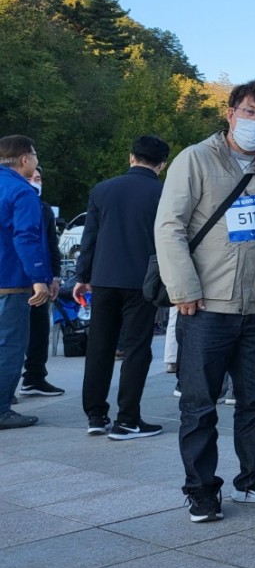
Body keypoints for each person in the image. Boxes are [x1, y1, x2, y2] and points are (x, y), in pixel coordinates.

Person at [156, 81, 255, 522]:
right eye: (251, 112)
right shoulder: (195, 159)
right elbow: (170, 226)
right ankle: (200, 488)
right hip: (204, 307)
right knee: (199, 406)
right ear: (231, 111)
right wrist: (184, 290)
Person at [75, 135, 170, 438]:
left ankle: (95, 415)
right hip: (143, 280)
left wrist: (82, 276)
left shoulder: (102, 190)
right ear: (162, 164)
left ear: (131, 157)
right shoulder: (164, 193)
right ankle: (128, 419)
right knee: (137, 348)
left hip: (103, 278)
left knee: (99, 346)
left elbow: (89, 239)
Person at [0, 136, 50, 429]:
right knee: (9, 345)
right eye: (34, 155)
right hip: (10, 280)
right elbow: (26, 237)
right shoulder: (22, 191)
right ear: (24, 159)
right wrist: (39, 278)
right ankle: (2, 408)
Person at [19, 166, 64, 397]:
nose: (35, 181)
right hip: (15, 280)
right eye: (30, 177)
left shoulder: (44, 210)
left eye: (38, 178)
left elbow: (51, 246)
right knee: (11, 335)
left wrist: (54, 277)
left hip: (41, 280)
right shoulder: (12, 201)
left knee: (39, 330)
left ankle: (34, 377)